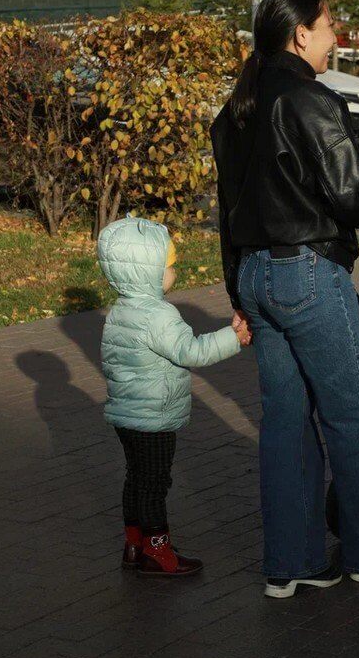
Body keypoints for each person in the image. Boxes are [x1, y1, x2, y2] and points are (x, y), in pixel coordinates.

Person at [210, 0, 359, 599]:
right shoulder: (311, 100)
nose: (336, 36)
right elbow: (348, 193)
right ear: (300, 33)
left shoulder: (235, 110)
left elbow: (228, 211)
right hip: (308, 274)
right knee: (353, 415)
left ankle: (291, 563)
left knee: (284, 422)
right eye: (330, 24)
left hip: (256, 275)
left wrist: (239, 292)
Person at [97, 215, 251, 577]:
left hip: (127, 416)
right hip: (154, 416)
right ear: (147, 271)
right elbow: (192, 352)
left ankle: (133, 544)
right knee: (154, 483)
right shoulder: (159, 315)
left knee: (136, 478)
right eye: (170, 267)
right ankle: (157, 550)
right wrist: (234, 337)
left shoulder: (119, 311)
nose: (174, 273)